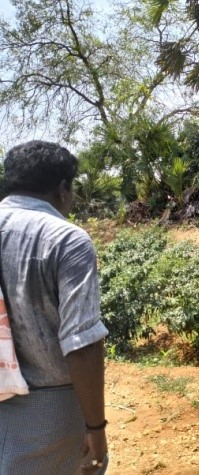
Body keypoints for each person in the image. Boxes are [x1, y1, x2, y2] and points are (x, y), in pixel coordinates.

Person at [0, 141, 109, 474]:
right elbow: (82, 344)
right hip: (49, 408)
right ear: (63, 189)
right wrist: (96, 428)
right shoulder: (66, 239)